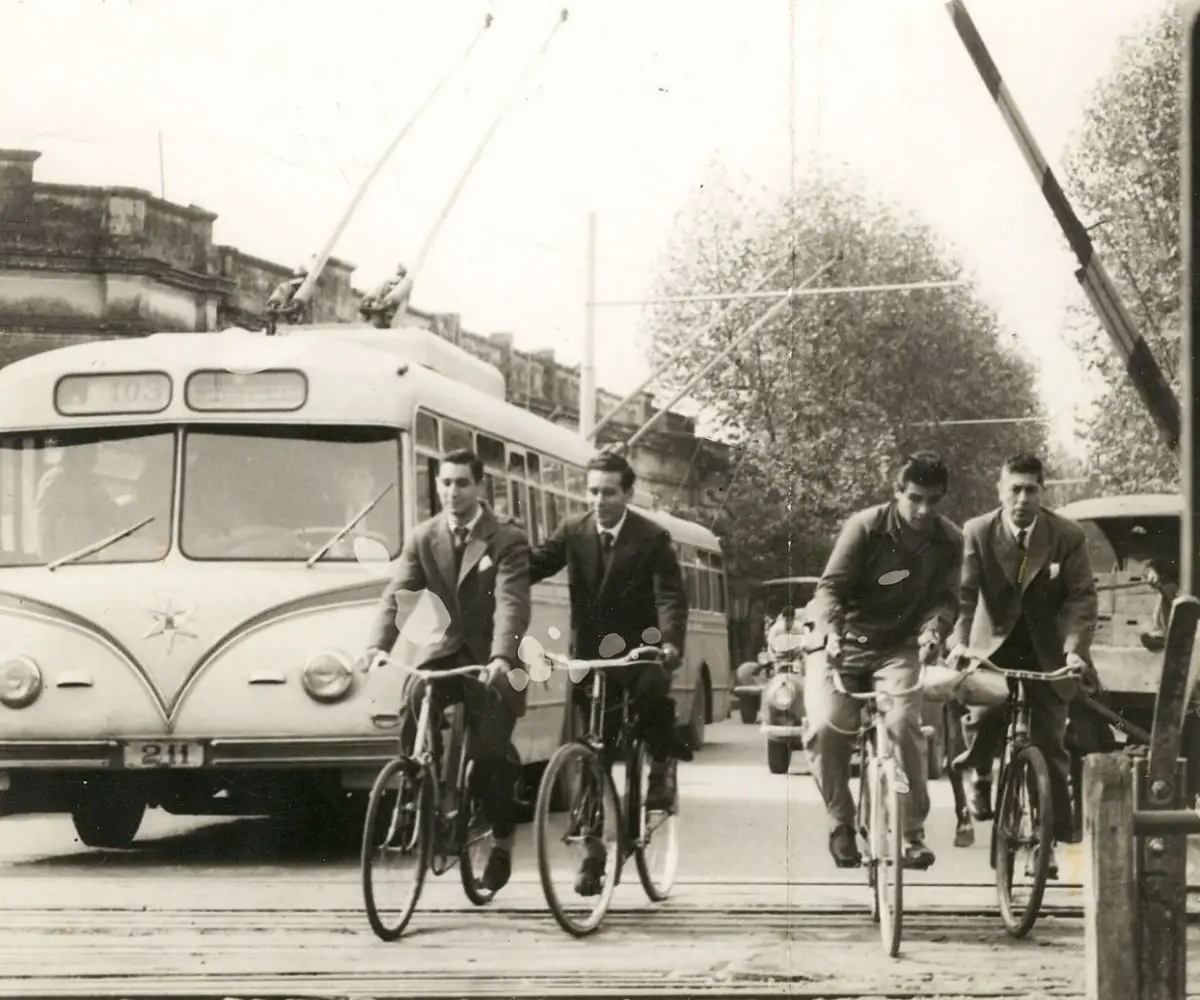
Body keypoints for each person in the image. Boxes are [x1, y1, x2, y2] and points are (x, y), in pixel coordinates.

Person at [361, 448, 532, 894]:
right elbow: (398, 593)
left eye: (462, 483)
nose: (452, 492)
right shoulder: (424, 537)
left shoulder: (507, 539)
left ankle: (501, 842)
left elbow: (512, 604)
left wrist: (501, 657)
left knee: (490, 757)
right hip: (448, 651)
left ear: (479, 488)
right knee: (417, 697)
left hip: (494, 657)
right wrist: (376, 647)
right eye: (445, 483)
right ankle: (422, 788)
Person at [528, 450, 690, 895]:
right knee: (590, 751)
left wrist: (669, 641)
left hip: (640, 649)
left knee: (654, 694)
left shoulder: (651, 537)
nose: (600, 500)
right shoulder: (573, 532)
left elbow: (670, 596)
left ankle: (661, 768)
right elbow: (534, 564)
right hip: (590, 655)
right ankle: (592, 854)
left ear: (628, 492)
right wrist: (495, 569)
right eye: (593, 491)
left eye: (609, 492)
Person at [805, 452, 963, 870]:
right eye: (915, 498)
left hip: (899, 649)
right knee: (826, 728)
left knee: (903, 725)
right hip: (845, 641)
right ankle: (841, 823)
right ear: (896, 493)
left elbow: (946, 599)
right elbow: (830, 589)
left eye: (934, 500)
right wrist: (830, 632)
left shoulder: (949, 540)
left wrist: (934, 630)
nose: (924, 510)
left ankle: (911, 834)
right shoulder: (865, 528)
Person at [948, 453, 1099, 876]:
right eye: (1014, 488)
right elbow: (962, 595)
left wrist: (1074, 650)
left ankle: (1046, 845)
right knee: (985, 713)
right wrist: (960, 644)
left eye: (1031, 489)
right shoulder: (978, 532)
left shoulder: (1066, 535)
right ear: (1000, 491)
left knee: (1050, 746)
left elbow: (1081, 597)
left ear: (1043, 492)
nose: (1022, 498)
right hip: (990, 650)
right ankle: (977, 771)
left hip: (1048, 652)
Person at [359, 262, 414, 329]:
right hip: (383, 311)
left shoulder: (389, 282)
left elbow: (372, 295)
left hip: (382, 310)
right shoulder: (400, 285)